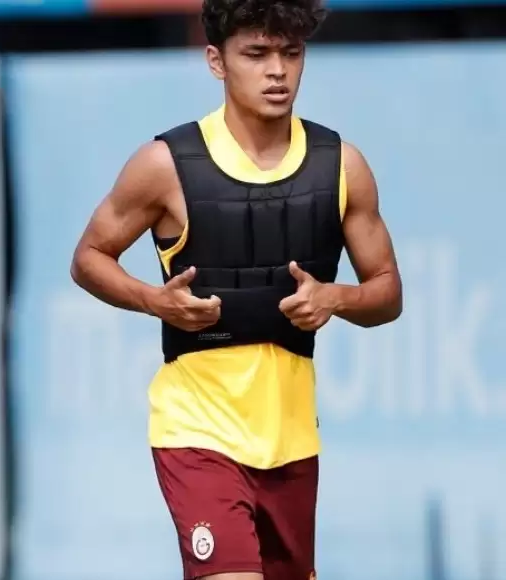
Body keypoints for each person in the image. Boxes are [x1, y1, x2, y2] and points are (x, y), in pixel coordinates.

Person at [70, 1, 402, 578]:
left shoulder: (342, 166)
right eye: (256, 54)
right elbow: (88, 258)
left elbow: (388, 291)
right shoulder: (165, 165)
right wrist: (155, 300)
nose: (277, 71)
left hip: (292, 443)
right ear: (216, 61)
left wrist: (335, 297)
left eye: (291, 53)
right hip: (195, 430)